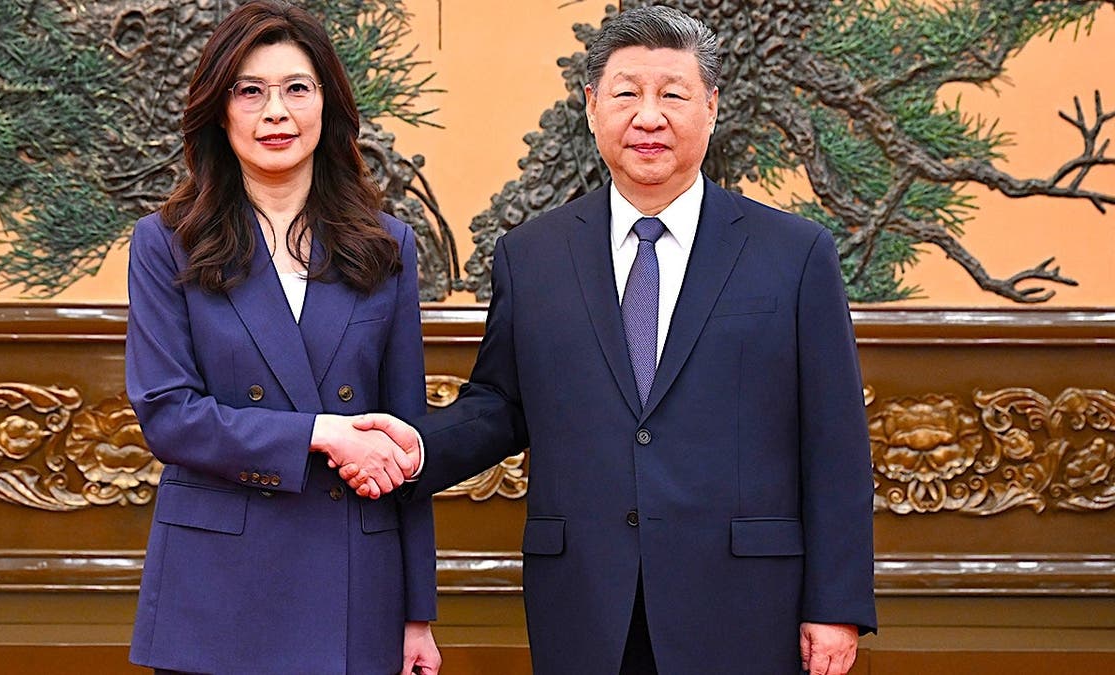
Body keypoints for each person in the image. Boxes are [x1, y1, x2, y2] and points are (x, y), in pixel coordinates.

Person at [345, 5, 876, 674]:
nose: (648, 117)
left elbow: (835, 441)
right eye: (626, 93)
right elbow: (501, 406)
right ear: (592, 106)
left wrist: (836, 603)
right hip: (587, 601)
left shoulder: (794, 254)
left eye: (673, 95)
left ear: (711, 107)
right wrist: (414, 446)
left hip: (744, 603)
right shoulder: (531, 255)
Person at [123, 2, 439, 673]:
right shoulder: (166, 244)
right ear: (219, 109)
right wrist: (319, 432)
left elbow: (405, 438)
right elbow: (168, 416)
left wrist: (418, 615)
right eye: (250, 91)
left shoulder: (388, 246)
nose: (276, 112)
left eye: (297, 88)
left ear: (327, 105)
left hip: (355, 583)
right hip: (216, 589)